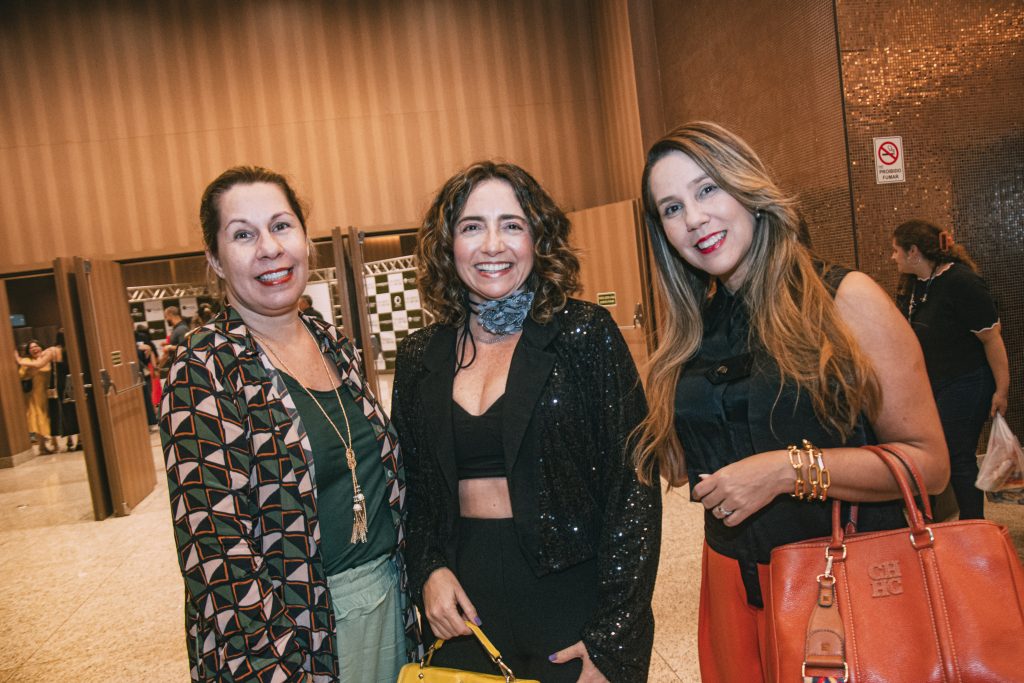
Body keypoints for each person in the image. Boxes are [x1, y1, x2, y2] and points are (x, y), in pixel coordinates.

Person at [634, 122, 949, 682]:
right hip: (732, 585)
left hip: (839, 581)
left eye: (708, 190)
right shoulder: (692, 335)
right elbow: (689, 462)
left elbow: (929, 464)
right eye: (672, 208)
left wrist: (785, 471)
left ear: (748, 190)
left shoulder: (846, 300)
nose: (695, 218)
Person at [391, 161, 661, 682]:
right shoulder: (420, 355)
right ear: (448, 245)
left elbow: (635, 486)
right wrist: (428, 569)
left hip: (571, 601)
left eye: (512, 225)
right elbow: (415, 488)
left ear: (539, 238)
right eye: (472, 226)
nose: (493, 244)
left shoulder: (585, 335)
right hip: (463, 607)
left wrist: (613, 637)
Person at [160, 166, 419, 682]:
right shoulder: (204, 367)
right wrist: (277, 668)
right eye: (242, 234)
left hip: (388, 604)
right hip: (292, 635)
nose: (269, 248)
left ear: (305, 239)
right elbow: (220, 552)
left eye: (281, 226)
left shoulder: (331, 343)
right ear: (214, 259)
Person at [892, 219, 1010, 519]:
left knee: (957, 454)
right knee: (940, 453)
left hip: (969, 381)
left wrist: (1001, 389)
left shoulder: (961, 282)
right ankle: (944, 520)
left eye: (896, 251)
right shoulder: (914, 285)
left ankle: (973, 525)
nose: (892, 257)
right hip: (937, 384)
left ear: (913, 251)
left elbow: (992, 338)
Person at [18, 339, 55, 453]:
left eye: (36, 346)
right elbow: (20, 376)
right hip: (34, 394)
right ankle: (42, 446)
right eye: (31, 348)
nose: (34, 349)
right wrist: (27, 371)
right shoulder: (26, 360)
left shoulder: (46, 358)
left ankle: (44, 445)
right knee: (39, 418)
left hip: (47, 393)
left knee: (48, 417)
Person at [47, 330, 80, 450]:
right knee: (77, 409)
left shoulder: (54, 351)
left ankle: (69, 439)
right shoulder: (73, 349)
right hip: (74, 380)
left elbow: (41, 362)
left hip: (61, 383)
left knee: (64, 410)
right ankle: (81, 439)